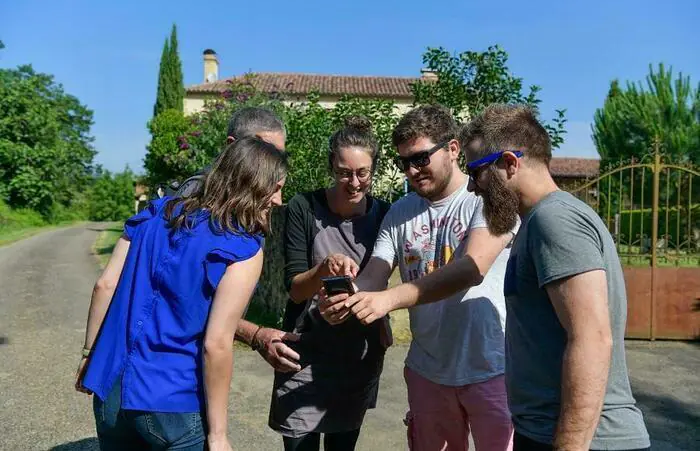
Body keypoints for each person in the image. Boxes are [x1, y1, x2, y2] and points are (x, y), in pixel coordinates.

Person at [321, 105, 516, 451]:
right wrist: (345, 296)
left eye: (421, 158)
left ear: (453, 149)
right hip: (428, 373)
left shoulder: (486, 198)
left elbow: (473, 268)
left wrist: (388, 300)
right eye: (403, 163)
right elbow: (374, 276)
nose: (412, 170)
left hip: (492, 368)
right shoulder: (400, 212)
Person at [75, 137, 289, 451]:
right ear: (253, 186)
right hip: (171, 400)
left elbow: (104, 286)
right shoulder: (242, 249)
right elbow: (216, 345)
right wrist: (218, 435)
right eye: (276, 187)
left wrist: (88, 356)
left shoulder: (154, 212)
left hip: (111, 387)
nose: (279, 200)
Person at [459, 104, 650, 451]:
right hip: (548, 433)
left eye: (475, 172)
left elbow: (592, 340)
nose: (473, 188)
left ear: (509, 163)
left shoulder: (555, 221)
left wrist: (569, 445)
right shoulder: (537, 222)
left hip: (583, 439)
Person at [268, 117, 392, 451]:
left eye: (363, 173)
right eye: (344, 172)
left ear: (374, 169)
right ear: (330, 167)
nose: (353, 182)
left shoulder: (385, 214)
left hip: (358, 356)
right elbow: (295, 289)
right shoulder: (303, 208)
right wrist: (324, 267)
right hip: (305, 353)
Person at [172, 106, 301, 374]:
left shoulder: (251, 203)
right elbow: (184, 297)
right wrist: (254, 334)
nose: (272, 168)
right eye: (263, 151)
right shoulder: (194, 201)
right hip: (176, 371)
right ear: (232, 146)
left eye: (278, 156)